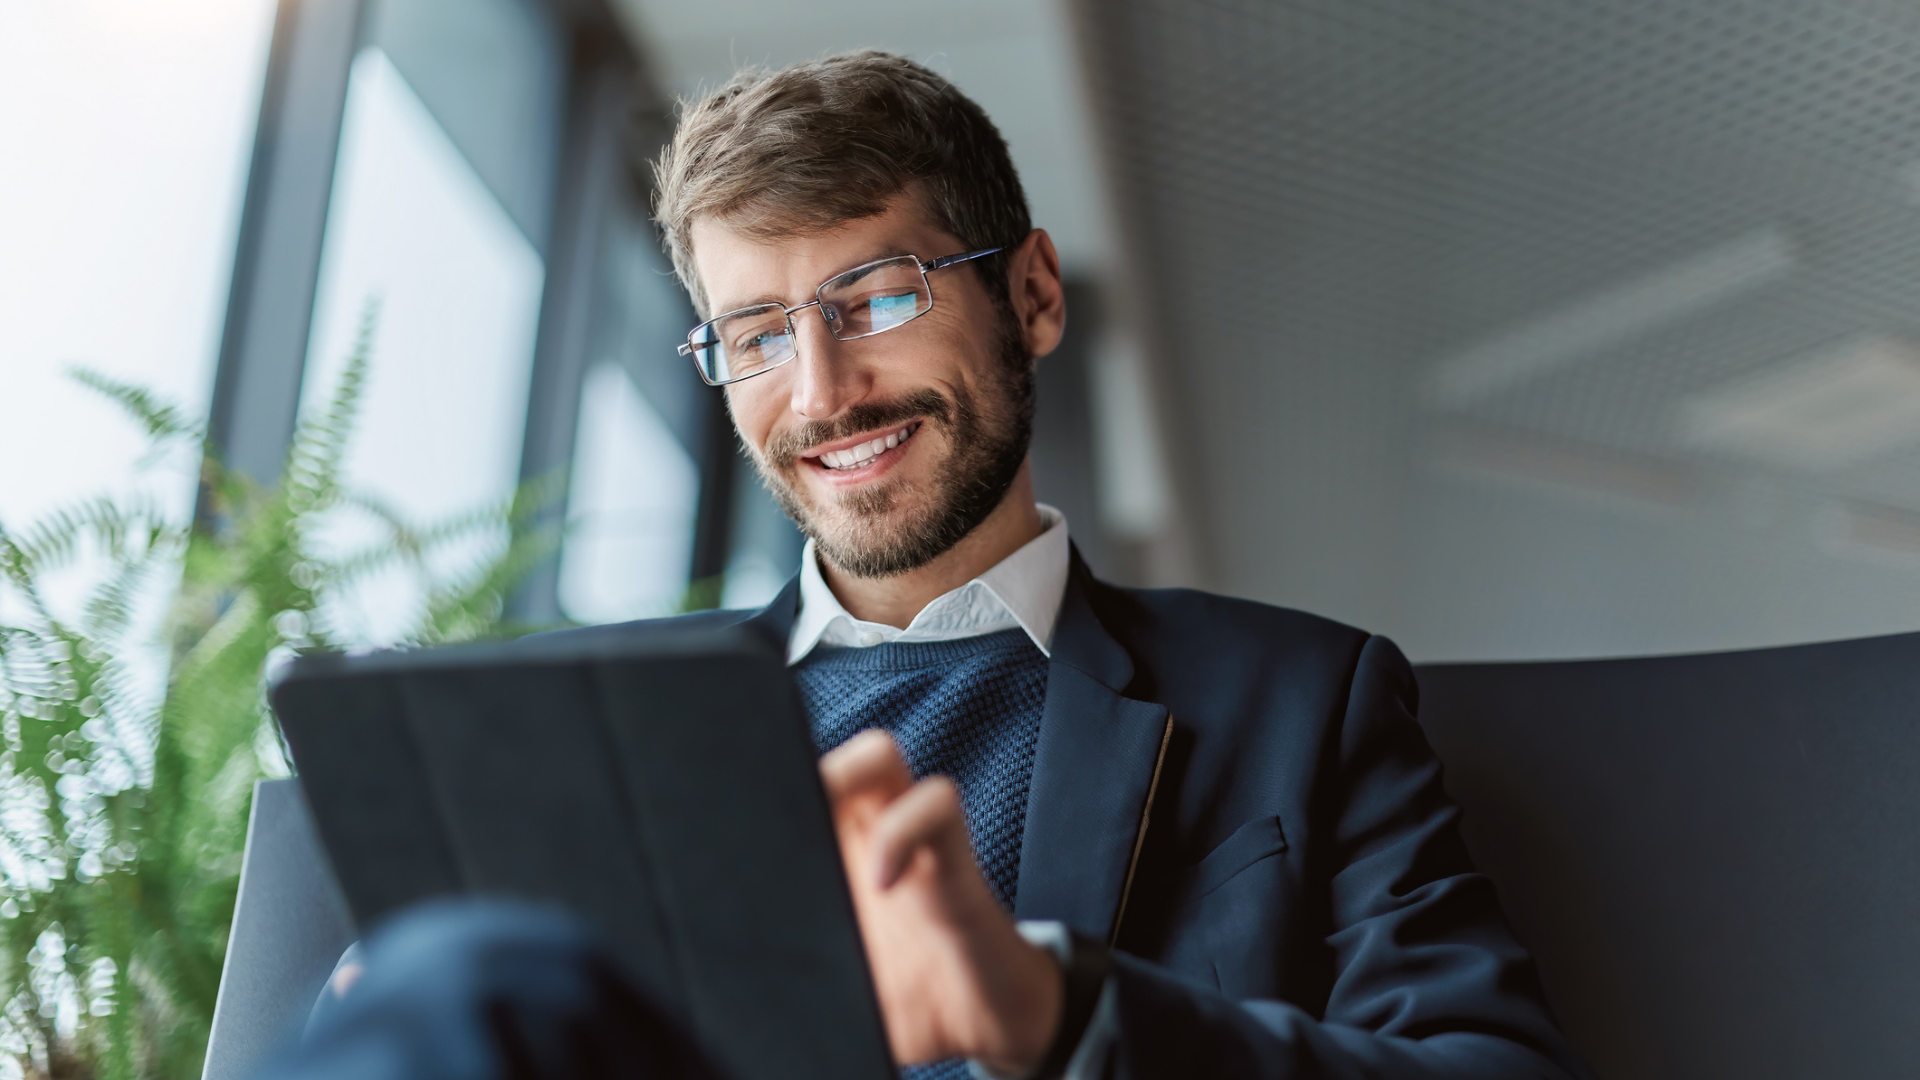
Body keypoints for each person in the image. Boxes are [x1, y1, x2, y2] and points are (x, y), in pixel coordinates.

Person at [279, 49, 1590, 1080]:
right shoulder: (558, 732)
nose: (823, 390)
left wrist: (1053, 1012)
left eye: (879, 299)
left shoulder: (1301, 702)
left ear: (1032, 297)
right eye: (755, 334)